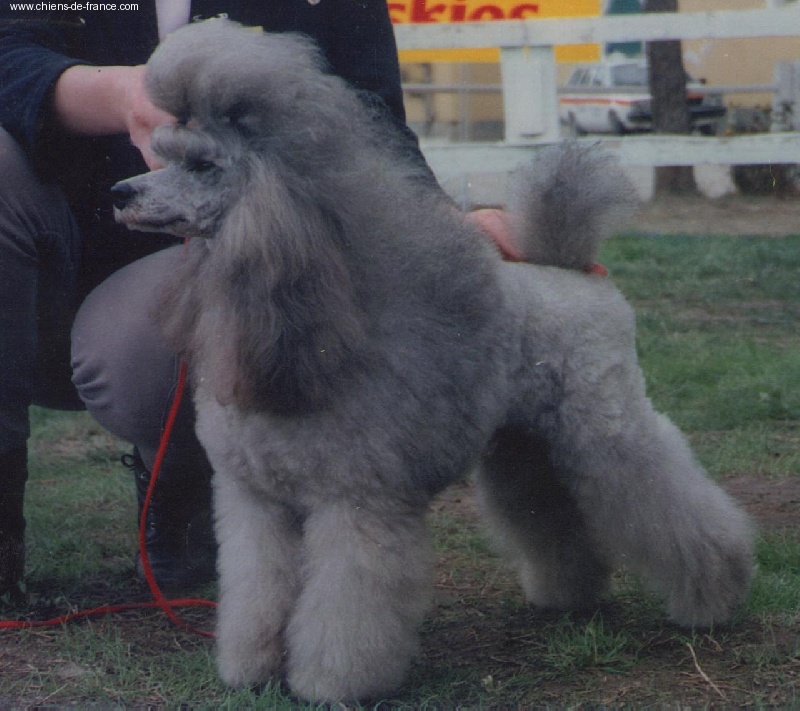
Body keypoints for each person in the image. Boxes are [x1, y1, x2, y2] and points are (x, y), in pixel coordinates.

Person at [0, 0, 457, 593]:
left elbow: (372, 117)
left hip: (211, 256)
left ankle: (184, 490)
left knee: (143, 358)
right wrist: (122, 94)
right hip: (45, 248)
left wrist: (452, 229)